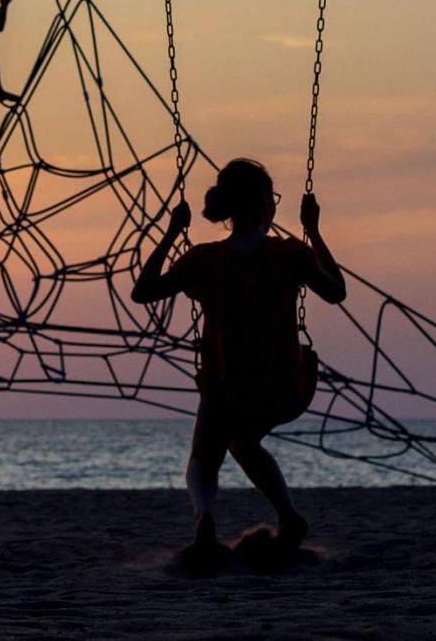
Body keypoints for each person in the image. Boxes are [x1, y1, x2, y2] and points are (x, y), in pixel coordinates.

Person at [132, 158, 347, 572]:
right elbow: (336, 292)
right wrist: (315, 231)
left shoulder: (205, 260)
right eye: (272, 198)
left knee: (204, 451)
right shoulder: (291, 255)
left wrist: (172, 232)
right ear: (264, 204)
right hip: (282, 386)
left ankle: (204, 515)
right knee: (243, 441)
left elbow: (144, 292)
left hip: (226, 386)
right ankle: (288, 516)